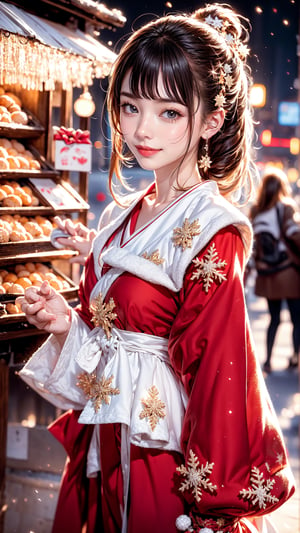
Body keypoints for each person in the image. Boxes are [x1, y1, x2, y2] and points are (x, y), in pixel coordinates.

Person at [17, 5, 295, 533]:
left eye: (169, 113)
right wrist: (66, 322)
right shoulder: (122, 212)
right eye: (129, 106)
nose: (142, 128)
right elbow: (111, 335)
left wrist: (212, 507)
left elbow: (219, 373)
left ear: (211, 121)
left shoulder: (213, 227)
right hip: (104, 438)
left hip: (160, 452)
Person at [249, 168, 300, 374]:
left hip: (267, 275)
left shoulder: (256, 211)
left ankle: (268, 360)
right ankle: (295, 357)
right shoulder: (285, 207)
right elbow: (293, 232)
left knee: (274, 318)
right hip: (289, 273)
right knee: (297, 318)